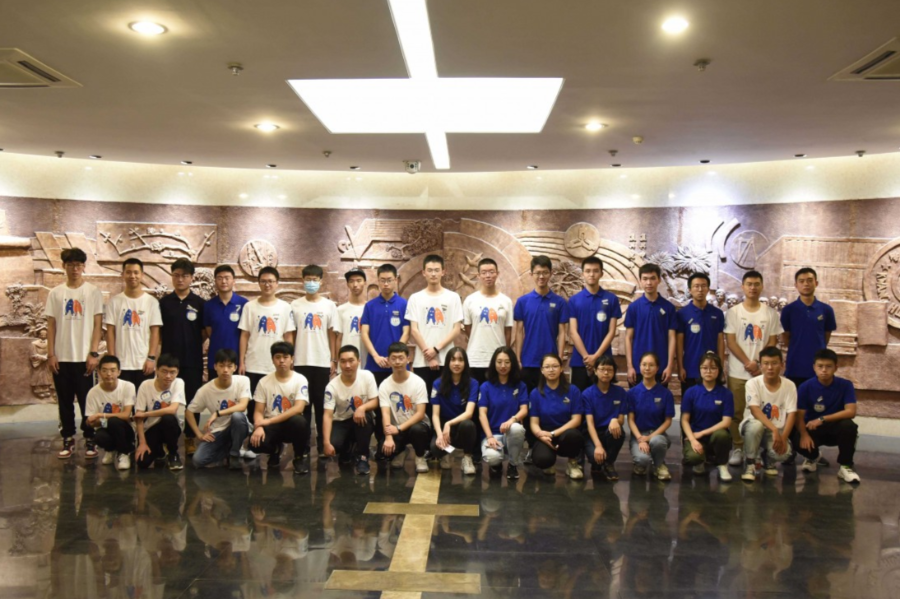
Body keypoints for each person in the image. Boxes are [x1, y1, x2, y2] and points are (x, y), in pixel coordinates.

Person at [44, 247, 104, 459]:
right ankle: (68, 438)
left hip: (84, 358)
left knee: (88, 401)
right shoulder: (55, 293)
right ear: (64, 266)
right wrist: (51, 354)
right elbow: (51, 326)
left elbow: (97, 325)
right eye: (70, 265)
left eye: (78, 265)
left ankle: (90, 438)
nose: (75, 269)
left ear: (84, 266)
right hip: (62, 358)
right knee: (64, 401)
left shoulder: (93, 292)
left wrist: (94, 353)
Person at [724, 270, 783, 468]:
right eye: (749, 284)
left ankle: (756, 450)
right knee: (737, 412)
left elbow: (772, 341)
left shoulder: (770, 313)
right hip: (738, 372)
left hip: (762, 373)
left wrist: (758, 363)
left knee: (759, 413)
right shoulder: (733, 312)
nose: (753, 287)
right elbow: (731, 342)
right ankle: (738, 447)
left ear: (762, 286)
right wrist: (747, 362)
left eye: (756, 284)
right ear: (743, 287)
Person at [360, 264, 410, 456]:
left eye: (390, 280)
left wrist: (394, 357)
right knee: (380, 407)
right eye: (382, 280)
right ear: (378, 281)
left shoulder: (404, 304)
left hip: (397, 366)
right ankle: (382, 442)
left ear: (396, 280)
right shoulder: (370, 306)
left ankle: (400, 444)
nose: (386, 284)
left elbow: (406, 331)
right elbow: (365, 333)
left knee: (400, 405)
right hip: (375, 366)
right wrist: (376, 356)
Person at [290, 264, 339, 458]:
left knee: (321, 405)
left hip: (322, 361)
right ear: (302, 281)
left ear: (321, 281)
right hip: (300, 361)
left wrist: (333, 359)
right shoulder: (295, 305)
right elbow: (291, 333)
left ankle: (322, 443)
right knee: (303, 406)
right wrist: (291, 357)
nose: (311, 283)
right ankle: (302, 446)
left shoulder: (329, 306)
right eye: (308, 279)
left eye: (315, 279)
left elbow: (332, 334)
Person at [159, 258, 206, 455]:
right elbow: (158, 332)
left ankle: (189, 437)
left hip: (192, 360)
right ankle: (164, 438)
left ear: (191, 278)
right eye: (176, 275)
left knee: (192, 400)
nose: (180, 279)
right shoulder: (164, 303)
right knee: (164, 399)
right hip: (168, 361)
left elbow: (204, 332)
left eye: (185, 276)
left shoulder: (199, 303)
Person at [792, 349, 860, 483]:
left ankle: (845, 466)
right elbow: (799, 416)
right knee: (795, 438)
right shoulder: (805, 387)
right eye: (820, 366)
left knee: (849, 426)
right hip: (812, 429)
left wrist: (822, 419)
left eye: (828, 366)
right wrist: (804, 435)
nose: (824, 370)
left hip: (835, 428)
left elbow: (851, 412)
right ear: (814, 367)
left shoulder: (846, 385)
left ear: (836, 368)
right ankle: (813, 457)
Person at [405, 254, 463, 398]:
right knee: (424, 401)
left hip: (447, 359)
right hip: (422, 361)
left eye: (437, 270)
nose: (433, 274)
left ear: (443, 272)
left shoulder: (453, 297)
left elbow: (456, 329)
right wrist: (428, 355)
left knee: (445, 400)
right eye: (429, 270)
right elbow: (414, 330)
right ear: (423, 272)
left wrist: (436, 349)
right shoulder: (415, 298)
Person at [251, 341, 312, 475]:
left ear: (292, 359)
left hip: (290, 424)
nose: (282, 361)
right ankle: (275, 450)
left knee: (300, 422)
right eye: (278, 357)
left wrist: (268, 421)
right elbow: (258, 411)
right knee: (254, 443)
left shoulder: (300, 379)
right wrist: (259, 426)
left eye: (285, 357)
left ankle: (299, 458)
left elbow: (299, 408)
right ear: (272, 359)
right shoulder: (263, 382)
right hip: (271, 425)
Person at [186, 349, 253, 469]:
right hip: (218, 430)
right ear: (215, 367)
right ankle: (228, 450)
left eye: (229, 366)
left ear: (235, 367)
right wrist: (199, 435)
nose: (225, 370)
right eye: (221, 366)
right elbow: (189, 412)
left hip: (239, 426)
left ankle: (234, 454)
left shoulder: (243, 381)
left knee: (237, 416)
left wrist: (217, 413)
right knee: (198, 460)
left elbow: (243, 406)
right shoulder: (205, 390)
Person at [738, 347, 797, 482]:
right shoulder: (753, 383)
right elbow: (755, 410)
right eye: (766, 363)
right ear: (760, 365)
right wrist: (774, 429)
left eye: (774, 363)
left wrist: (783, 438)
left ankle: (768, 458)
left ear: (782, 365)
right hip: (752, 426)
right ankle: (750, 463)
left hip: (775, 432)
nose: (770, 367)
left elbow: (791, 414)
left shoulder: (790, 385)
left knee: (784, 454)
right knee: (756, 426)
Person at [105, 258, 162, 390]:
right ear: (123, 274)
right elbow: (110, 332)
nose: (132, 276)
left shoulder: (151, 302)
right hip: (122, 364)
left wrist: (151, 358)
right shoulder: (115, 302)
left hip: (144, 364)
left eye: (136, 272)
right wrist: (113, 362)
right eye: (129, 272)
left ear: (142, 275)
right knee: (122, 401)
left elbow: (155, 332)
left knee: (144, 401)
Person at [239, 266, 296, 396]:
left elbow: (288, 336)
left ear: (277, 283)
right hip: (253, 364)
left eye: (270, 281)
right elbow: (244, 335)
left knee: (275, 401)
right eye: (263, 281)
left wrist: (289, 361)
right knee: (253, 403)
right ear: (259, 283)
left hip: (277, 365)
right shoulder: (249, 307)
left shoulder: (285, 307)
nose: (267, 284)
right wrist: (242, 362)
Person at [514, 256, 569, 391]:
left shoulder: (560, 302)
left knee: (549, 398)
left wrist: (559, 359)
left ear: (551, 273)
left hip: (551, 362)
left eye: (545, 272)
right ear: (531, 274)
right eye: (538, 273)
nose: (541, 276)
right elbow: (519, 332)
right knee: (527, 399)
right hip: (528, 360)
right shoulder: (523, 302)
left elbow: (562, 332)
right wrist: (518, 358)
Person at [323, 345, 379, 475]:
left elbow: (375, 401)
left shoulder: (367, 376)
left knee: (365, 418)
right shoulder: (332, 386)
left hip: (362, 419)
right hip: (342, 420)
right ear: (339, 363)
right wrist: (326, 443)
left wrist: (362, 408)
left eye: (351, 361)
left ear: (359, 361)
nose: (347, 365)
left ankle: (363, 457)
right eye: (343, 361)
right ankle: (349, 447)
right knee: (335, 445)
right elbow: (327, 415)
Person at [528, 353, 585, 479]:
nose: (551, 370)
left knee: (574, 435)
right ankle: (549, 462)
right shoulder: (535, 393)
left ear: (561, 368)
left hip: (565, 434)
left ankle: (572, 463)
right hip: (545, 435)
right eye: (547, 367)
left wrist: (553, 433)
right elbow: (534, 423)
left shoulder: (573, 390)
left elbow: (576, 420)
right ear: (542, 370)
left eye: (555, 366)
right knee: (541, 460)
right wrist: (541, 435)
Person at [568, 256, 622, 390]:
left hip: (604, 362)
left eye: (595, 271)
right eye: (588, 271)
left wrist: (596, 357)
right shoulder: (574, 300)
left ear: (601, 273)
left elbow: (611, 332)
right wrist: (587, 357)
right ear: (583, 274)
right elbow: (573, 332)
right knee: (578, 400)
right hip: (580, 361)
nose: (591, 274)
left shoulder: (611, 299)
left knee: (603, 399)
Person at [680, 352, 734, 482]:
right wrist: (693, 439)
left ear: (719, 370)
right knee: (693, 458)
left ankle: (722, 464)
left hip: (715, 435)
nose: (708, 371)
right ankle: (700, 461)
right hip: (696, 436)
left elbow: (726, 422)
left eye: (713, 368)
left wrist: (702, 433)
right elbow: (684, 420)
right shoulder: (691, 392)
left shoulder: (726, 394)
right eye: (704, 368)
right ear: (699, 369)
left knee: (722, 435)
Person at [378, 342, 432, 473]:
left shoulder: (418, 382)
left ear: (408, 359)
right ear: (388, 360)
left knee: (417, 430)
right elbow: (385, 414)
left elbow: (420, 414)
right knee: (382, 453)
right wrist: (388, 437)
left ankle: (420, 457)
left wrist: (398, 428)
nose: (397, 362)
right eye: (393, 358)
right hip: (396, 428)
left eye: (401, 358)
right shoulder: (384, 385)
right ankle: (400, 451)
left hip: (417, 426)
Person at [478, 347, 529, 479]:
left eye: (507, 362)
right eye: (499, 362)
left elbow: (524, 409)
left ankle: (513, 464)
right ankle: (497, 463)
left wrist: (512, 420)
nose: (503, 366)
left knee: (517, 428)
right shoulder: (485, 386)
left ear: (512, 364)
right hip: (492, 434)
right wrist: (490, 437)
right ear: (494, 363)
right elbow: (482, 414)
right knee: (492, 458)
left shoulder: (520, 385)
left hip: (510, 433)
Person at [781, 268, 837, 388]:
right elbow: (786, 337)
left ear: (816, 283)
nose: (806, 284)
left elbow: (826, 337)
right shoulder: (788, 310)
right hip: (795, 366)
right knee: (796, 398)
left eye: (809, 280)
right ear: (796, 285)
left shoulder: (826, 310)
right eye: (801, 281)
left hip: (819, 367)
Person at [624, 263, 677, 387]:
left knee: (659, 399)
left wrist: (670, 366)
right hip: (638, 368)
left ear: (659, 280)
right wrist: (630, 366)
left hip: (661, 368)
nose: (649, 283)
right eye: (645, 279)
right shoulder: (633, 307)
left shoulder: (669, 307)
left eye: (653, 278)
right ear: (640, 281)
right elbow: (628, 338)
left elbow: (672, 338)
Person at [462, 258, 514, 384]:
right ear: (478, 275)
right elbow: (468, 329)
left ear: (497, 274)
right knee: (475, 393)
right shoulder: (470, 300)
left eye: (491, 272)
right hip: (475, 358)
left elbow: (508, 332)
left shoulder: (506, 301)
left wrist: (505, 355)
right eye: (484, 272)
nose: (488, 276)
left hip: (498, 360)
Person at [626, 352, 675, 481]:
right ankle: (641, 463)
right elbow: (630, 420)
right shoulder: (632, 393)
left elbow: (668, 421)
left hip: (657, 434)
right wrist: (640, 439)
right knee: (642, 460)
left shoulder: (665, 393)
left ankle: (659, 465)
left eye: (651, 365)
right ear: (639, 367)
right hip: (639, 435)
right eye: (644, 365)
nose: (647, 368)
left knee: (657, 442)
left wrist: (650, 437)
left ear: (657, 368)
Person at [430, 348, 479, 475]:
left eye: (460, 360)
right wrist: (439, 434)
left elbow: (469, 413)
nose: (456, 363)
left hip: (461, 426)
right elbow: (435, 415)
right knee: (435, 448)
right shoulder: (437, 383)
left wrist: (449, 423)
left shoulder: (473, 383)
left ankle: (467, 458)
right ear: (447, 362)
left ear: (465, 363)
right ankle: (446, 453)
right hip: (444, 428)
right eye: (453, 360)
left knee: (468, 424)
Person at [133, 354, 186, 471]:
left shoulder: (178, 382)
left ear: (177, 372)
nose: (168, 376)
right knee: (142, 462)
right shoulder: (145, 385)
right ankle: (160, 452)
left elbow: (172, 409)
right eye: (164, 371)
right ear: (156, 370)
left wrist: (146, 414)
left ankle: (173, 454)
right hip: (151, 427)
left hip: (171, 426)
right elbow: (138, 417)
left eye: (172, 372)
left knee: (168, 418)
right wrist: (142, 443)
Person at [676, 272, 725, 393]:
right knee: (689, 402)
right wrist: (680, 367)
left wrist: (720, 367)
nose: (700, 290)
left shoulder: (717, 313)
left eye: (703, 286)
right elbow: (679, 343)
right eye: (696, 286)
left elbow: (720, 341)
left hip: (712, 369)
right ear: (690, 290)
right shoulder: (682, 314)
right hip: (690, 369)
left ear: (708, 289)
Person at [84, 355, 136, 470]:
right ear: (99, 372)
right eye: (104, 370)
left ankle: (124, 453)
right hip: (106, 427)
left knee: (114, 422)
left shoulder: (128, 386)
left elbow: (126, 415)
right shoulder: (93, 392)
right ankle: (111, 450)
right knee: (99, 436)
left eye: (113, 370)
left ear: (119, 372)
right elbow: (91, 423)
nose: (109, 374)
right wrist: (106, 421)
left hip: (126, 428)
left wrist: (100, 415)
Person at [582, 355, 626, 480]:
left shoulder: (620, 392)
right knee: (595, 459)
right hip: (592, 433)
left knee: (619, 432)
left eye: (609, 370)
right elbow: (590, 424)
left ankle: (609, 464)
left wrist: (615, 420)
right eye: (602, 369)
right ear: (595, 371)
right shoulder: (587, 394)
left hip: (609, 431)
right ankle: (599, 462)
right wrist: (598, 446)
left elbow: (621, 419)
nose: (606, 373)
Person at [204, 265, 249, 382]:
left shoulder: (244, 304)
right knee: (214, 391)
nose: (223, 281)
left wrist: (242, 361)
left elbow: (246, 333)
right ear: (215, 281)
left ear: (233, 281)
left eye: (227, 278)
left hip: (237, 360)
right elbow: (209, 331)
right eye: (219, 278)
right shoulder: (208, 306)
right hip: (215, 359)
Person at [335, 268, 369, 370]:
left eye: (359, 280)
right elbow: (339, 338)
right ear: (347, 284)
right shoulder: (341, 310)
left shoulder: (371, 308)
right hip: (346, 364)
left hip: (367, 362)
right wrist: (338, 362)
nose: (355, 285)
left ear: (365, 282)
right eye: (351, 281)